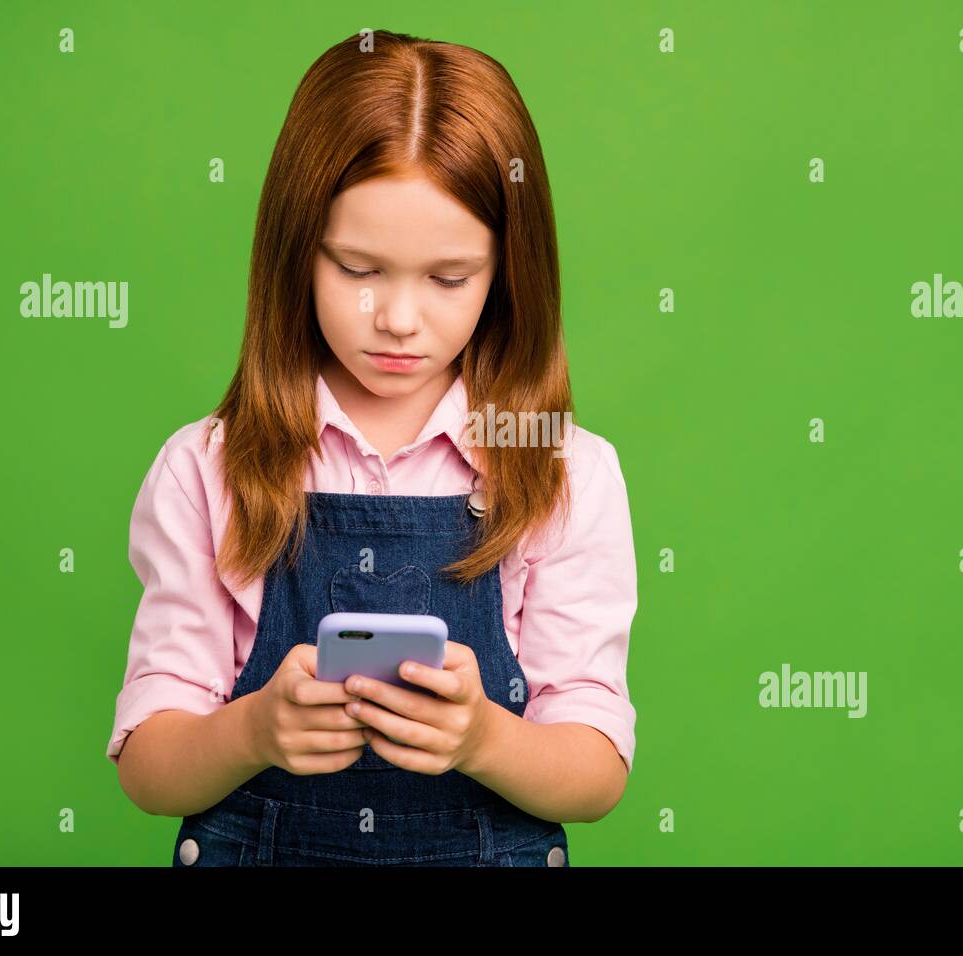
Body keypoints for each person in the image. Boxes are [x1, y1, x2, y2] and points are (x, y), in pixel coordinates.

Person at [106, 29, 637, 867]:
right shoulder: (208, 467)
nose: (397, 318)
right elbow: (148, 766)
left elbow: (598, 769)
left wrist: (483, 739)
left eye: (449, 278)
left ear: (508, 272)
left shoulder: (565, 471)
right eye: (357, 269)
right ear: (295, 251)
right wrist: (251, 730)